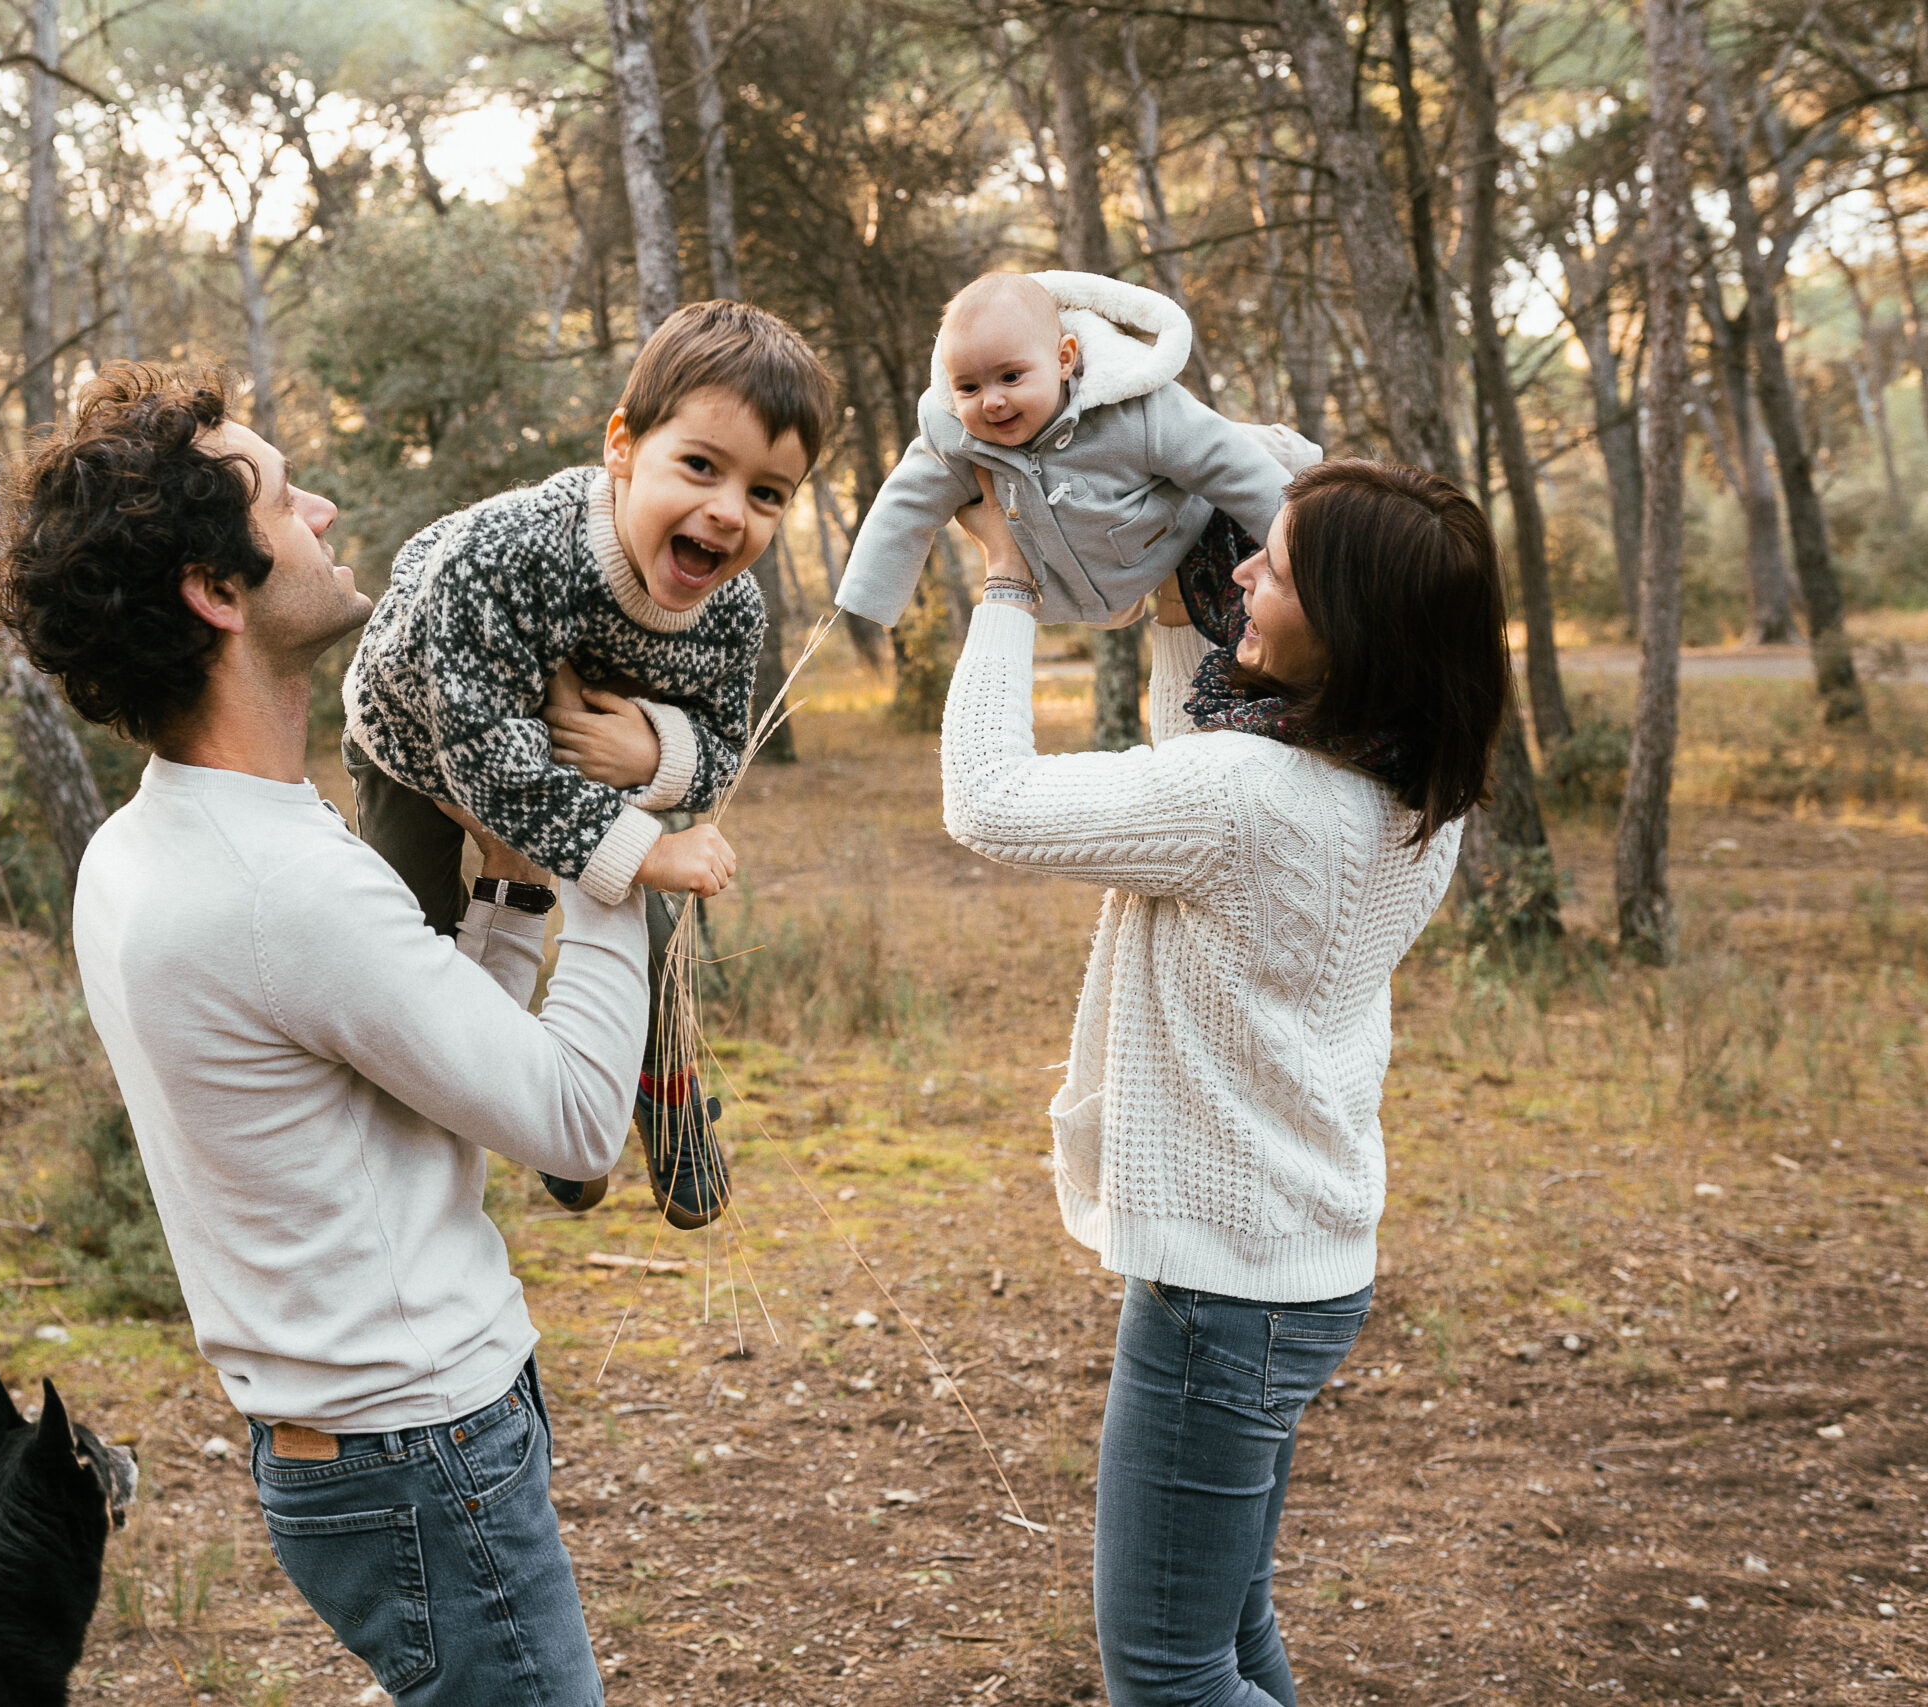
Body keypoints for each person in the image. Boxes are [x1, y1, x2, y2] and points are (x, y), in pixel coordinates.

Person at [0, 363, 659, 1707]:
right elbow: (580, 1122)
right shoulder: (281, 885)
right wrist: (615, 847)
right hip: (419, 1450)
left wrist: (515, 892)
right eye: (288, 499)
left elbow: (409, 1069)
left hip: (353, 1448)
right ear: (215, 589)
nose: (326, 511)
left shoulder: (149, 846)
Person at [941, 460, 1510, 1707]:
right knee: (1227, 1638)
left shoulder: (1247, 796)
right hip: (1302, 1262)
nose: (1244, 569)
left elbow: (987, 802)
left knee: (1168, 1675)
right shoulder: (1412, 780)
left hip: (1225, 1287)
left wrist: (1006, 583)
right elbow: (1194, 780)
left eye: (1278, 568)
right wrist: (1170, 611)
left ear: (1350, 628)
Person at [341, 298, 834, 1229]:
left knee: (643, 931)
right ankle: (508, 1113)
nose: (728, 511)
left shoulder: (731, 614)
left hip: (573, 753)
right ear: (622, 447)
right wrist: (648, 846)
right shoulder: (514, 554)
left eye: (768, 493)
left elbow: (723, 748)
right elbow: (488, 756)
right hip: (418, 748)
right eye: (701, 466)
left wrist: (653, 747)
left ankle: (659, 1085)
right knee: (421, 949)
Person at [834, 270, 1311, 633]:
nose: (992, 401)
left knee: (1232, 450)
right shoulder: (956, 436)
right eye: (969, 387)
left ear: (1064, 359)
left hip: (1170, 534)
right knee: (1121, 612)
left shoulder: (1134, 408)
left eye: (1010, 377)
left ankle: (1291, 456)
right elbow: (906, 504)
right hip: (1091, 583)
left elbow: (1226, 462)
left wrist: (1303, 548)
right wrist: (870, 595)